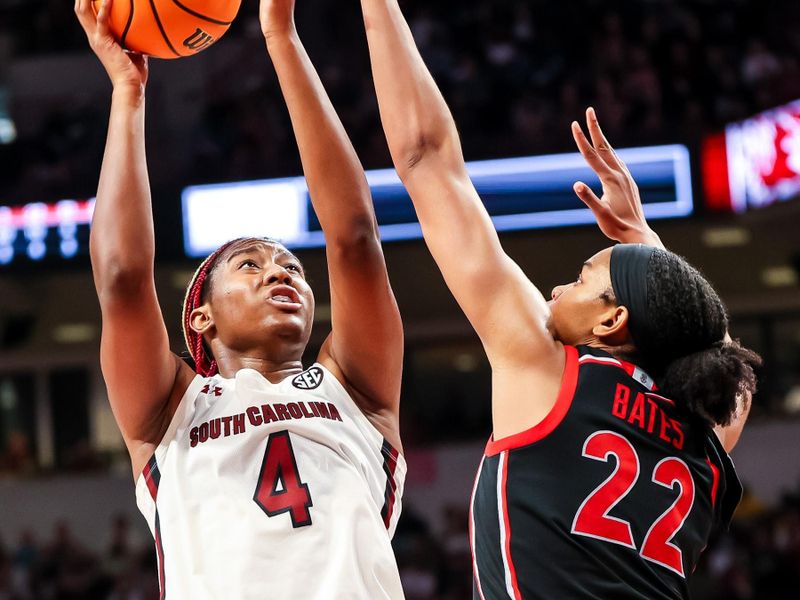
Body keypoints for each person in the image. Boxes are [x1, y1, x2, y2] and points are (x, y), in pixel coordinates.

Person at [355, 1, 761, 597]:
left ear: (612, 320)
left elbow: (426, 158)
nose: (556, 289)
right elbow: (732, 370)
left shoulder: (549, 370)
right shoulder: (706, 435)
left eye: (581, 276)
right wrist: (645, 250)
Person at [75, 0, 406, 596]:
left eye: (292, 267)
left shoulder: (355, 389)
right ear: (200, 315)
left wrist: (281, 37)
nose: (279, 274)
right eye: (249, 265)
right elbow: (122, 276)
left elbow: (355, 237)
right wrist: (128, 94)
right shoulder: (169, 412)